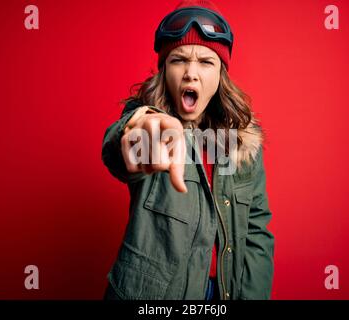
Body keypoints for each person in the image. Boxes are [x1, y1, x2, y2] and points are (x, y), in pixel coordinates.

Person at [102, 0, 274, 300]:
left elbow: (257, 231)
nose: (190, 73)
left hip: (221, 293)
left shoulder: (241, 145)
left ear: (220, 73)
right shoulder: (149, 123)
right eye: (178, 60)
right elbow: (122, 143)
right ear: (164, 70)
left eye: (206, 62)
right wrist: (136, 137)